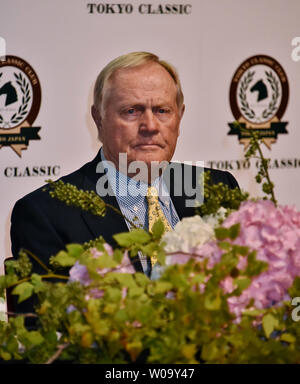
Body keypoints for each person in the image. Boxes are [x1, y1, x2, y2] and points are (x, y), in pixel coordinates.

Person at [10, 51, 239, 284]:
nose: (150, 126)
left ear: (179, 118)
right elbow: (42, 319)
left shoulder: (216, 188)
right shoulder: (46, 214)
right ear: (99, 119)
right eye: (131, 111)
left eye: (162, 110)